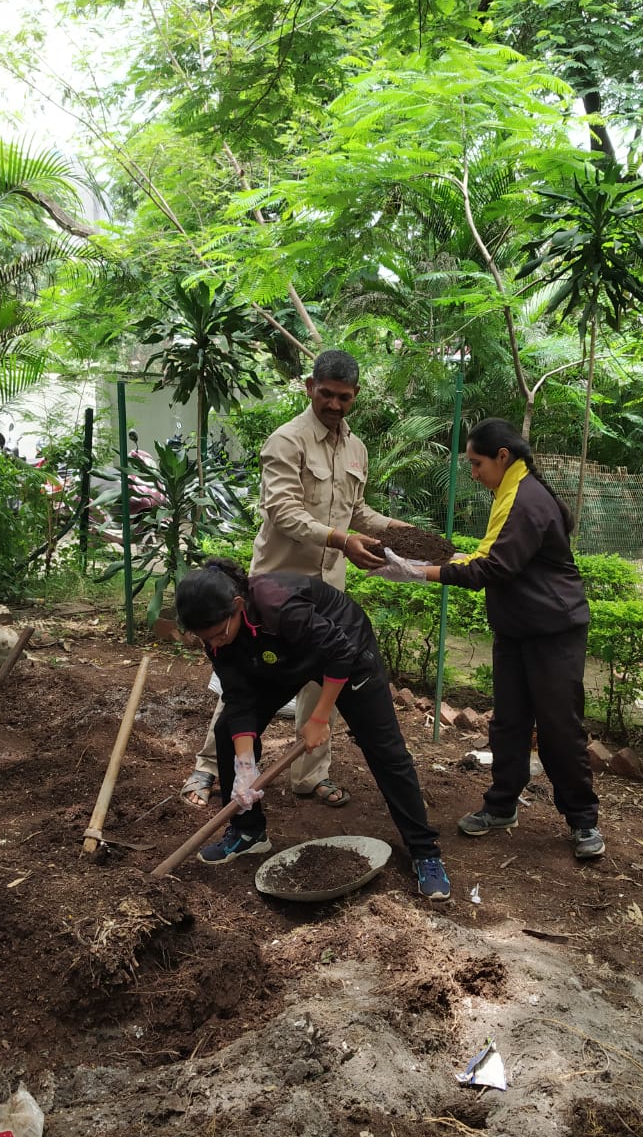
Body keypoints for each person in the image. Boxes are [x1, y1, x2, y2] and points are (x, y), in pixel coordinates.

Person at [374, 418, 604, 862]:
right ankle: (501, 806)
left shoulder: (525, 498)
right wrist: (443, 557)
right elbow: (492, 554)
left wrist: (419, 571)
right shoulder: (512, 490)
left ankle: (583, 820)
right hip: (517, 629)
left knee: (559, 729)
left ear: (503, 456)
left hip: (553, 632)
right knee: (508, 723)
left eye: (477, 463)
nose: (473, 473)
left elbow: (493, 569)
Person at [182, 349, 404, 809]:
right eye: (326, 394)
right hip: (274, 585)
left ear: (355, 396)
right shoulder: (287, 441)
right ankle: (209, 767)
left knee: (323, 680)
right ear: (309, 387)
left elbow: (355, 510)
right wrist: (342, 541)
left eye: (344, 397)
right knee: (243, 678)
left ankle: (309, 775)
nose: (335, 405)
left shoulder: (356, 448)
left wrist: (396, 530)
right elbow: (282, 512)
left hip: (326, 587)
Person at [175, 558, 451, 900]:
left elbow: (339, 651)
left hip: (345, 650)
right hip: (281, 658)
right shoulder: (217, 634)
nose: (214, 644)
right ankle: (248, 833)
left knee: (386, 750)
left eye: (219, 634)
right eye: (208, 639)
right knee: (228, 731)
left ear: (237, 606)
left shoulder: (278, 603)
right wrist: (245, 768)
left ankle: (425, 851)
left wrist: (318, 719)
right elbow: (239, 698)